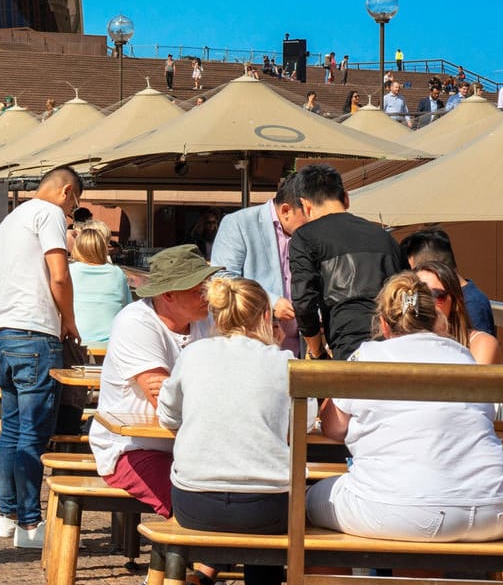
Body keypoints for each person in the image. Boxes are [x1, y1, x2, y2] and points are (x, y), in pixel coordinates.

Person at [304, 274, 503, 585]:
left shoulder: (368, 356)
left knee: (301, 507)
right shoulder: (463, 356)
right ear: (436, 316)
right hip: (495, 509)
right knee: (427, 506)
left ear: (384, 323)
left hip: (410, 509)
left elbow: (334, 427)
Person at [157, 277, 295, 585]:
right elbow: (304, 424)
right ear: (266, 315)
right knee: (267, 506)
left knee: (237, 496)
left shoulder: (195, 354)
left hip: (195, 500)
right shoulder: (284, 361)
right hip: (265, 506)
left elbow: (168, 416)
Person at [88, 245, 221, 520]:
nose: (208, 296)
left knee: (242, 497)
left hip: (192, 447)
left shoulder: (207, 320)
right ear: (169, 294)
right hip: (133, 449)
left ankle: (216, 560)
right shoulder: (136, 322)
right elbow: (163, 400)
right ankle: (192, 561)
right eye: (199, 290)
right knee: (194, 508)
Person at [0, 165, 82, 548]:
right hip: (35, 333)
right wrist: (70, 320)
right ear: (66, 192)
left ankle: (8, 516)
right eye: (76, 201)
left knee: (10, 430)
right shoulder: (50, 214)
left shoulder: (8, 222)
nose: (75, 209)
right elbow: (58, 275)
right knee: (32, 434)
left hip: (3, 333)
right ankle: (29, 524)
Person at [288, 163, 407, 361]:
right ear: (346, 198)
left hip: (347, 346)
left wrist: (318, 352)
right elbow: (409, 293)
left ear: (305, 205)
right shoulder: (384, 237)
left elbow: (303, 303)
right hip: (394, 347)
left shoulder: (305, 237)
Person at [210, 176, 307, 353]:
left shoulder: (309, 236)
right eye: (307, 217)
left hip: (298, 349)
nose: (312, 224)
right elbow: (222, 279)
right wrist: (271, 302)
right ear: (286, 210)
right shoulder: (239, 223)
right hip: (249, 347)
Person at [400, 227, 499, 363]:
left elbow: (476, 378)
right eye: (413, 295)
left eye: (435, 295)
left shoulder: (472, 305)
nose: (423, 301)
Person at [67, 220, 131, 346]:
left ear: (77, 248)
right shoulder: (117, 273)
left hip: (75, 341)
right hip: (111, 343)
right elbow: (127, 308)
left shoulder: (69, 271)